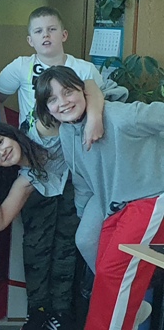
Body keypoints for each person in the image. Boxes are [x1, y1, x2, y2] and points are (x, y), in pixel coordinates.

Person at [0, 6, 107, 329]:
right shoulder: (20, 67)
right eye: (39, 31)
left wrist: (94, 118)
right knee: (37, 242)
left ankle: (63, 312)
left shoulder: (83, 69)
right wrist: (11, 136)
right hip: (36, 168)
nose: (46, 35)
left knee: (68, 241)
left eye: (52, 29)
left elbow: (96, 96)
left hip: (76, 168)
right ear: (30, 39)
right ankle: (38, 311)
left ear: (64, 34)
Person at [29, 66, 164, 330]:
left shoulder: (121, 117)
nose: (63, 102)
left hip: (148, 196)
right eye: (53, 99)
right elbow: (81, 179)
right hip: (113, 200)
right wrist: (86, 215)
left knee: (114, 273)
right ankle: (130, 310)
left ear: (84, 92)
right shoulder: (67, 132)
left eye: (68, 92)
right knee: (100, 262)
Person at [0, 121, 79, 328]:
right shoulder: (25, 180)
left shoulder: (44, 133)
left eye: (0, 142)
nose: (2, 152)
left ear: (10, 134)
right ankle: (44, 313)